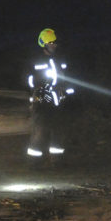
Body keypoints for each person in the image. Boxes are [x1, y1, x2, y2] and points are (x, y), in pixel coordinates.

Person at [26, 28, 75, 164]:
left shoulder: (59, 60)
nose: (54, 45)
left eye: (55, 43)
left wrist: (67, 94)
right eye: (51, 42)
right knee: (40, 130)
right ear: (44, 43)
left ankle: (57, 160)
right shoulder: (36, 60)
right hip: (41, 99)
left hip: (58, 99)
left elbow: (67, 79)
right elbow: (30, 80)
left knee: (58, 130)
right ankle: (34, 162)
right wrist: (40, 90)